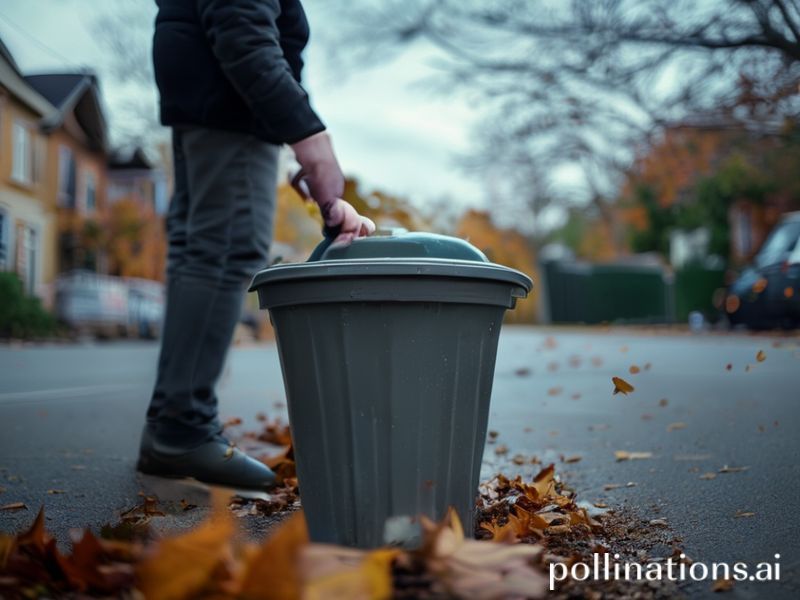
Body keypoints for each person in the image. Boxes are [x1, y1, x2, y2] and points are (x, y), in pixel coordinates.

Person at [137, 0, 375, 490]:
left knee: (199, 251)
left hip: (208, 97)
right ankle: (182, 426)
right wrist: (310, 137)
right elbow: (242, 27)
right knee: (224, 251)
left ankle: (171, 424)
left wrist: (291, 134)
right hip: (229, 101)